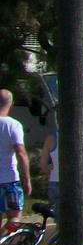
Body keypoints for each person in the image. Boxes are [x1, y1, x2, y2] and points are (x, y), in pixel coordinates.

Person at [0, 90, 31, 232]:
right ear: (11, 104)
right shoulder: (13, 125)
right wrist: (27, 179)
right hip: (9, 179)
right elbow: (21, 153)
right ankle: (2, 241)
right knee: (15, 216)